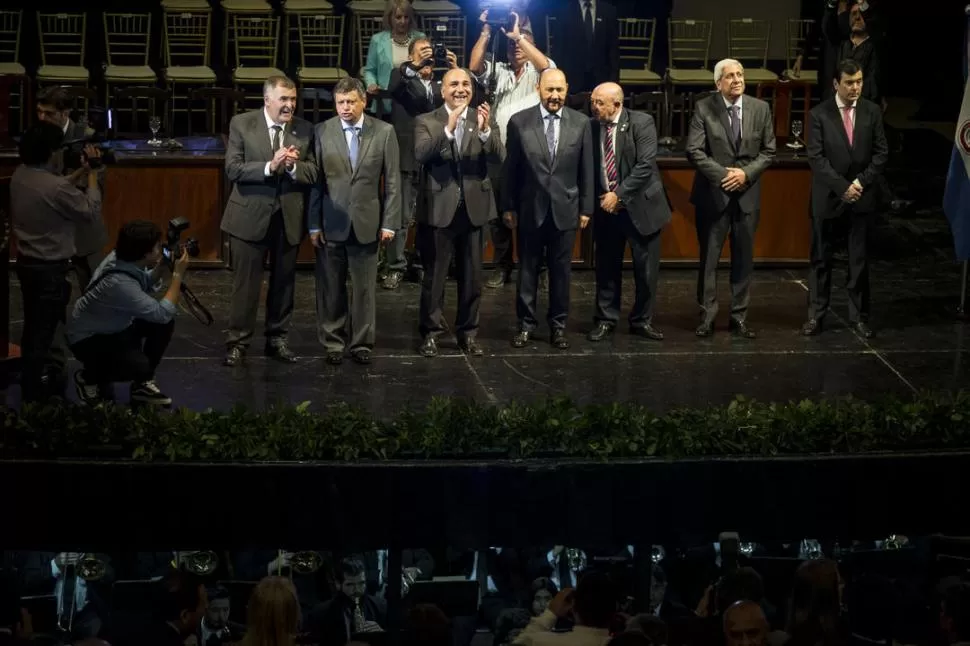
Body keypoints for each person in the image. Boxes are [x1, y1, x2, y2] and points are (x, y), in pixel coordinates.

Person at [221, 75, 317, 367]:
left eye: (293, 99)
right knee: (246, 285)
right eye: (283, 100)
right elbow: (233, 169)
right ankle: (238, 341)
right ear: (267, 100)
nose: (289, 105)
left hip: (287, 218)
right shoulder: (242, 124)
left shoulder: (304, 129)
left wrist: (291, 168)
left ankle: (277, 339)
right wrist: (269, 166)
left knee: (283, 284)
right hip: (249, 217)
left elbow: (313, 173)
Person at [308, 77, 400, 366]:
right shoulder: (322, 131)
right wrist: (314, 224)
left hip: (367, 223)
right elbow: (316, 182)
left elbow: (394, 183)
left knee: (364, 290)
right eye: (340, 103)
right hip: (331, 222)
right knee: (331, 288)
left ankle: (362, 342)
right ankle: (333, 342)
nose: (345, 107)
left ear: (364, 101)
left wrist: (389, 223)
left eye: (350, 102)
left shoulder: (384, 132)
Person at [413, 68, 504, 358]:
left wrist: (487, 130)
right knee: (435, 278)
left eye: (466, 84)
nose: (461, 89)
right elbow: (421, 154)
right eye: (454, 84)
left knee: (472, 278)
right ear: (442, 90)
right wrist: (448, 130)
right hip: (441, 211)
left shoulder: (484, 118)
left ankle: (468, 333)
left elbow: (499, 157)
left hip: (475, 211)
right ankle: (430, 334)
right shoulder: (427, 121)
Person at [9, 122, 102, 403]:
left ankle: (32, 382)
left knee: (34, 328)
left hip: (28, 265)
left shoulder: (21, 175)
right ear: (51, 153)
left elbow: (55, 190)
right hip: (51, 270)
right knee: (44, 334)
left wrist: (81, 172)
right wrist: (94, 175)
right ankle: (37, 394)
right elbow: (90, 211)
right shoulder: (56, 187)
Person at [502, 68, 594, 350]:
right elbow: (510, 171)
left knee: (561, 272)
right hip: (531, 209)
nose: (555, 96)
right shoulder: (519, 122)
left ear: (567, 89)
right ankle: (526, 325)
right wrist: (508, 206)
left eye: (560, 90)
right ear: (539, 89)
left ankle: (558, 326)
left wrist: (586, 208)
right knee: (528, 270)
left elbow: (586, 169)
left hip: (566, 209)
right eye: (549, 90)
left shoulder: (581, 123)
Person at [686, 58, 776, 339]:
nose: (737, 80)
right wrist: (726, 175)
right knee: (709, 259)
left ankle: (739, 316)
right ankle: (707, 316)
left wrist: (746, 174)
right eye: (730, 76)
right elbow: (694, 150)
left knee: (743, 259)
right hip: (714, 195)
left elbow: (769, 150)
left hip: (747, 195)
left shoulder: (760, 108)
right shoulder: (704, 107)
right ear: (718, 83)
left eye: (740, 74)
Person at [469, 10, 553, 289]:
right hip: (498, 152)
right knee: (498, 216)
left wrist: (520, 36)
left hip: (530, 156)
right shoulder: (499, 71)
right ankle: (502, 267)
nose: (516, 48)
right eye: (512, 44)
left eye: (520, 44)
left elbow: (548, 68)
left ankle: (537, 269)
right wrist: (485, 32)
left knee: (531, 214)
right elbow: (474, 66)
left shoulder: (539, 74)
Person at [803, 59, 887, 338]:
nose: (855, 87)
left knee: (858, 260)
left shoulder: (872, 111)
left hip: (861, 195)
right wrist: (842, 187)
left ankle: (859, 317)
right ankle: (816, 315)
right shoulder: (819, 114)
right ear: (836, 84)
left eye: (859, 81)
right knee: (821, 259)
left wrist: (860, 182)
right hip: (829, 196)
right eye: (849, 82)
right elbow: (816, 158)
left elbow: (880, 153)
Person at [67, 220, 191, 407]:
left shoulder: (121, 258)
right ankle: (88, 378)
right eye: (157, 247)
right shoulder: (119, 283)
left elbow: (144, 282)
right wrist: (177, 275)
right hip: (89, 339)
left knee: (163, 326)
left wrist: (161, 267)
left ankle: (142, 384)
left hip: (114, 324)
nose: (161, 249)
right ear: (145, 253)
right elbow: (162, 312)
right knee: (139, 366)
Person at [587, 82, 672, 343]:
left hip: (641, 207)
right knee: (606, 268)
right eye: (593, 101)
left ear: (617, 104)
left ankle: (641, 320)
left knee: (645, 271)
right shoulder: (590, 127)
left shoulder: (641, 122)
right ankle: (605, 319)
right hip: (606, 209)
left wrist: (619, 195)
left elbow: (645, 165)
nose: (595, 107)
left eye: (600, 103)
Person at [384, 37, 456, 290]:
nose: (428, 58)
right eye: (422, 53)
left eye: (431, 53)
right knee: (401, 216)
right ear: (411, 56)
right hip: (405, 156)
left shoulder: (442, 85)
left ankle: (423, 264)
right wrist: (414, 66)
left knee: (429, 218)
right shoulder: (401, 77)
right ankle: (395, 266)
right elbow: (394, 86)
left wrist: (452, 70)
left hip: (434, 158)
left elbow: (457, 100)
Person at [35, 85, 108, 291]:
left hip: (82, 227)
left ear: (65, 113)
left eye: (48, 113)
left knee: (93, 287)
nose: (41, 117)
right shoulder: (39, 134)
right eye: (39, 112)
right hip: (51, 231)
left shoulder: (87, 136)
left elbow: (97, 181)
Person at [363, 0, 425, 117]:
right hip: (386, 102)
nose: (403, 21)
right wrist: (371, 84)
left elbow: (427, 67)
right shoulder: (377, 40)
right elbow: (370, 70)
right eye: (398, 17)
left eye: (406, 17)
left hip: (415, 102)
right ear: (390, 18)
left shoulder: (420, 38)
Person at [549, 0, 619, 94]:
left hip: (601, 82)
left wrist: (614, 83)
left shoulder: (609, 11)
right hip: (571, 81)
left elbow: (613, 51)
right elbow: (558, 49)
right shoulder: (564, 11)